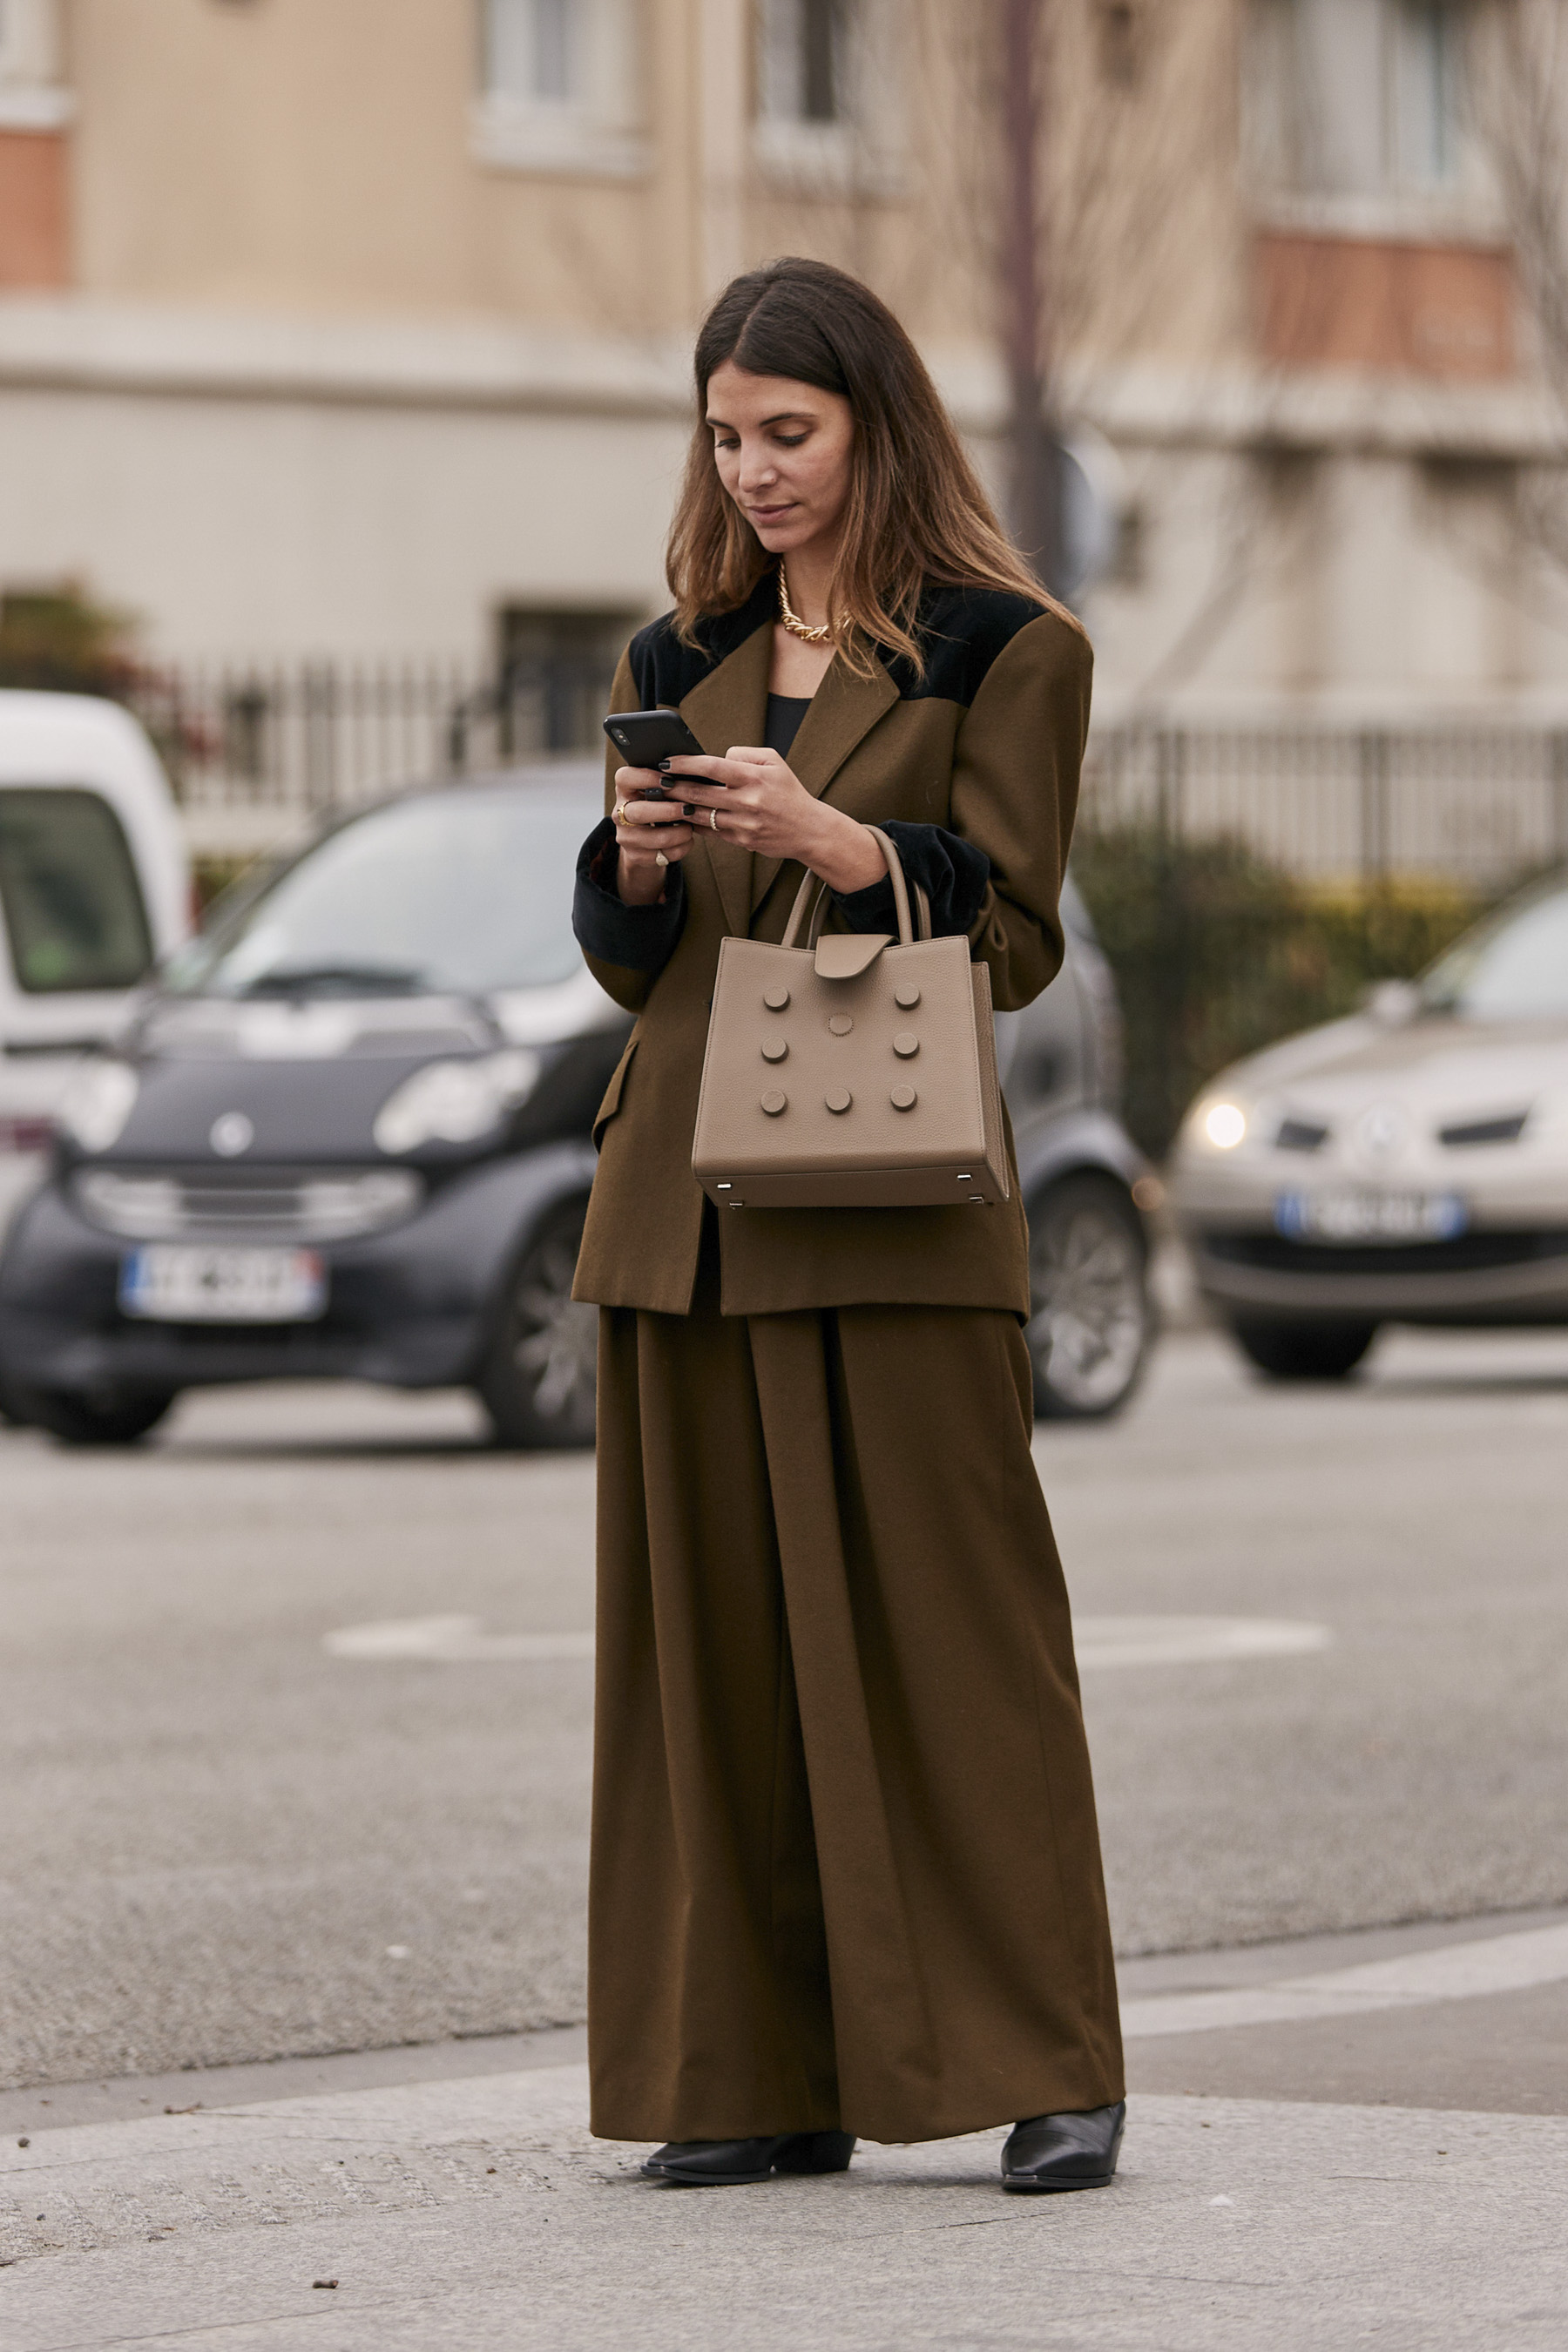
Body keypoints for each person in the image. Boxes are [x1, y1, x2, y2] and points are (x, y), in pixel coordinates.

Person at [570, 256, 1125, 2193]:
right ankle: (744, 2075)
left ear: (876, 427)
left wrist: (854, 850)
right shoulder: (672, 655)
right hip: (688, 1210)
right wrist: (628, 870)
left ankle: (1052, 2062)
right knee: (704, 1660)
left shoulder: (1007, 645)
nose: (753, 474)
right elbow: (638, 972)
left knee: (960, 1637)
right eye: (726, 438)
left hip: (889, 1197)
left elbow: (1026, 935)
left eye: (787, 435)